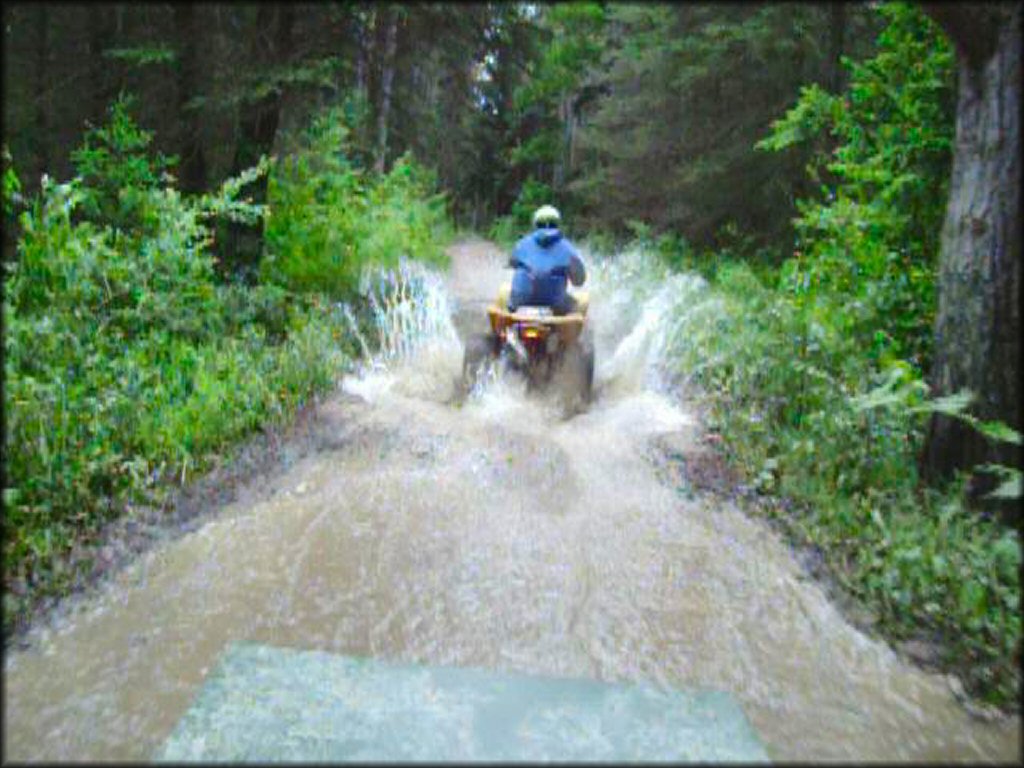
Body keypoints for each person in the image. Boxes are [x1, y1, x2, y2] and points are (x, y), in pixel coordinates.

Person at [508, 205, 586, 315]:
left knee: (508, 298)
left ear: (536, 224)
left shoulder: (521, 244)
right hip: (555, 304)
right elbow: (579, 281)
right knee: (576, 306)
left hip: (520, 301)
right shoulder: (568, 249)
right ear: (557, 224)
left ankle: (504, 329)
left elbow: (512, 262)